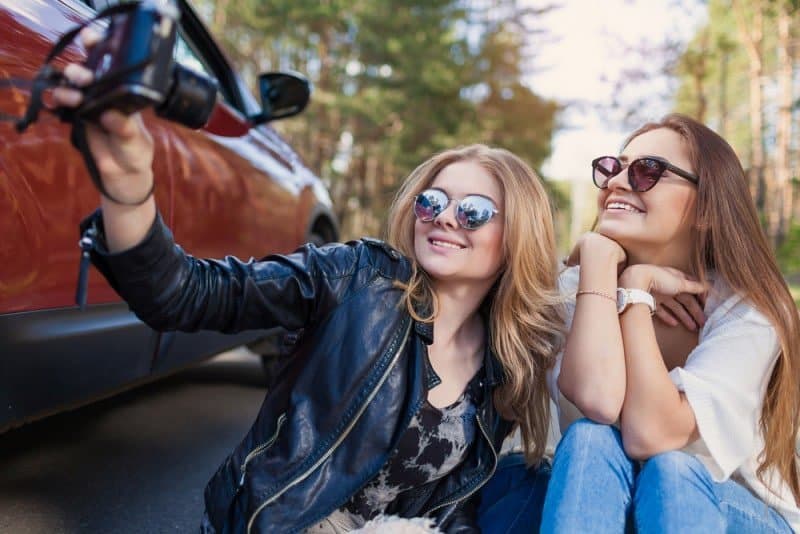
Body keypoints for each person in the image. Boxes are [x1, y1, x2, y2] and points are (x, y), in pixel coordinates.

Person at [52, 35, 563, 533]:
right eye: (433, 201)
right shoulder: (359, 278)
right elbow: (182, 294)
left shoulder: (500, 368)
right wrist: (129, 188)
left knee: (543, 481)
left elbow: (449, 511)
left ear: (517, 237)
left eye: (474, 211)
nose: (446, 218)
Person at [539, 113, 800, 532]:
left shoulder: (749, 309)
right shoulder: (578, 287)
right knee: (590, 437)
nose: (617, 182)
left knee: (672, 469)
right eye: (614, 167)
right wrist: (609, 271)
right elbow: (597, 400)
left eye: (648, 171)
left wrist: (635, 291)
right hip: (605, 498)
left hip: (734, 510)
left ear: (706, 210)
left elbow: (651, 435)